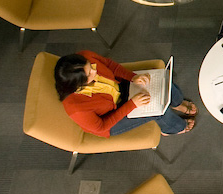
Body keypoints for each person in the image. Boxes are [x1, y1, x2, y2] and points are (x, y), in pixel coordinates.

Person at [55, 51, 196, 136]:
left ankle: (177, 103)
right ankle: (174, 128)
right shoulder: (76, 109)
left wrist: (132, 77)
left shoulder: (85, 56)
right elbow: (102, 126)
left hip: (119, 90)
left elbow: (110, 65)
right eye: (89, 74)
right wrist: (132, 105)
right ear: (79, 84)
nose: (95, 70)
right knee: (157, 111)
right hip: (111, 119)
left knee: (158, 80)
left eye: (90, 66)